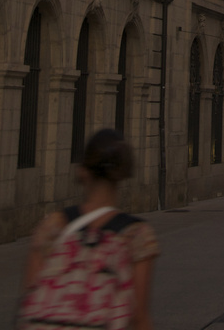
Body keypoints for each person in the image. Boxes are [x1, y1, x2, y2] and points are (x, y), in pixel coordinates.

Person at [16, 128, 159, 330]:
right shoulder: (136, 236)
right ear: (123, 173)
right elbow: (137, 318)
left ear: (83, 171)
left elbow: (29, 298)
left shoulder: (53, 226)